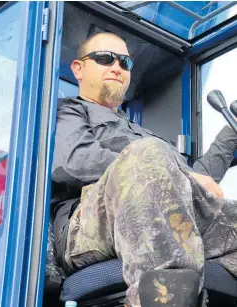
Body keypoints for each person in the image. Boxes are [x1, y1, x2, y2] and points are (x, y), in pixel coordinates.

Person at [52, 32, 237, 307]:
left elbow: (198, 181)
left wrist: (229, 136)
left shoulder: (146, 136)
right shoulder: (69, 111)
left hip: (168, 214)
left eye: (124, 62)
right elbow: (75, 160)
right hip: (89, 227)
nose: (117, 67)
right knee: (149, 154)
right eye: (105, 58)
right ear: (78, 68)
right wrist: (178, 170)